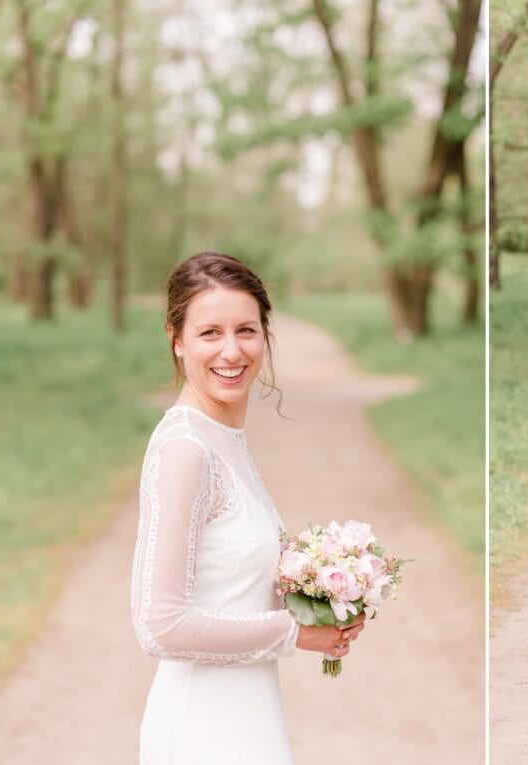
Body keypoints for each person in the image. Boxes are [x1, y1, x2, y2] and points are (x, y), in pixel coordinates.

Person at [131, 252, 365, 764]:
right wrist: (296, 633)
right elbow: (160, 625)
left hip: (247, 711)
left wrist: (326, 598)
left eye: (246, 330)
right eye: (209, 333)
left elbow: (231, 587)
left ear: (265, 334)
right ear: (176, 338)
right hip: (205, 726)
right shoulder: (185, 449)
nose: (232, 351)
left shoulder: (224, 438)